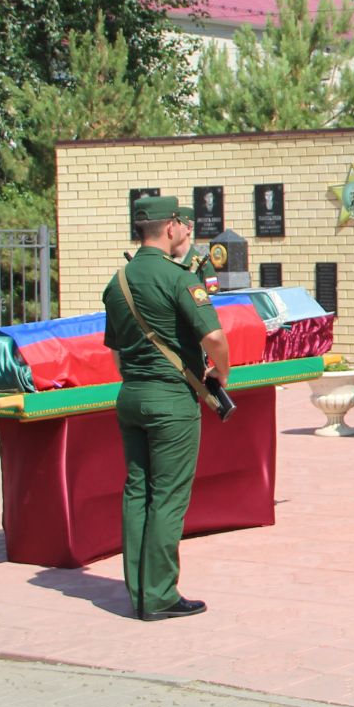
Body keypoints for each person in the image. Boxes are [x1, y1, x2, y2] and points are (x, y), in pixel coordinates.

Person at [102, 195, 230, 620]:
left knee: (137, 491)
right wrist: (222, 375)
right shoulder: (177, 279)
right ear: (170, 227)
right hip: (171, 401)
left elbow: (116, 351)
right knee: (169, 498)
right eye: (181, 224)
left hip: (131, 396)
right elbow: (215, 339)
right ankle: (159, 595)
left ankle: (139, 590)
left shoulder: (117, 282)